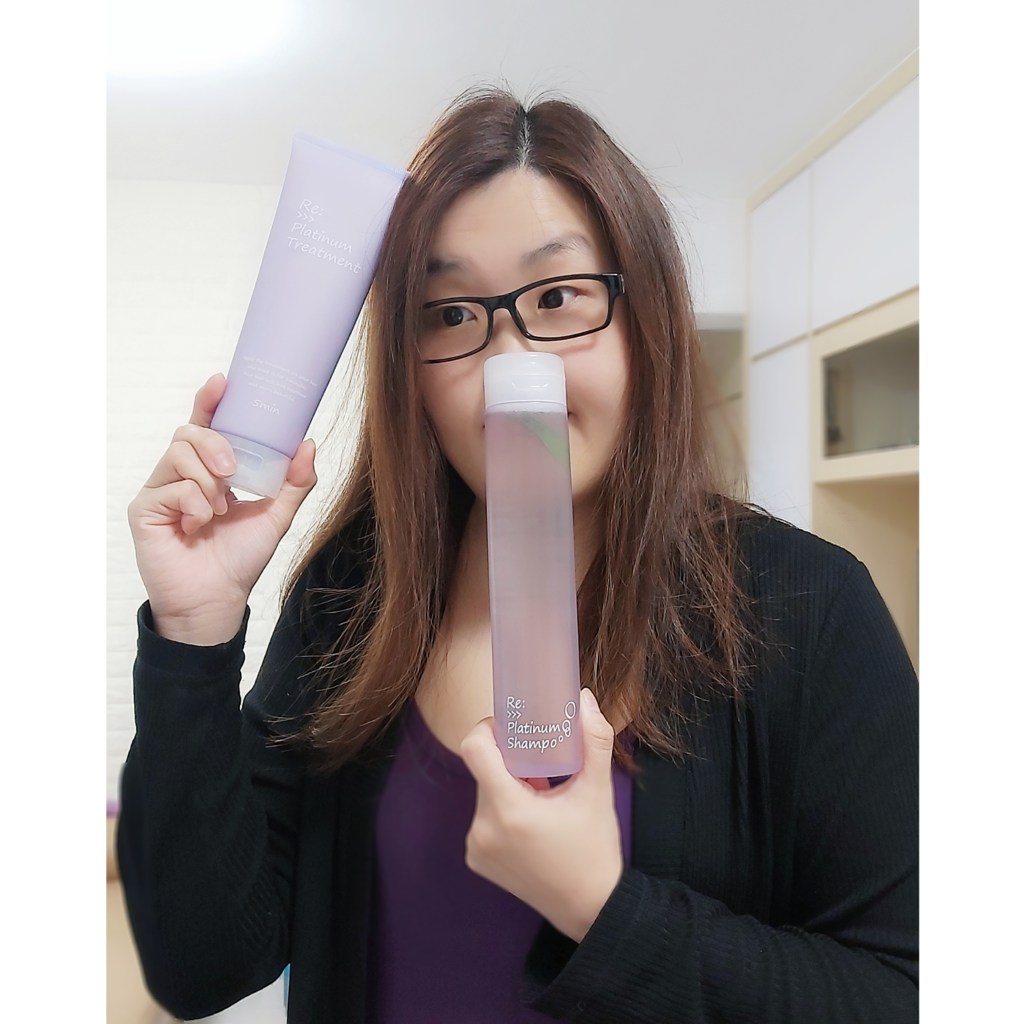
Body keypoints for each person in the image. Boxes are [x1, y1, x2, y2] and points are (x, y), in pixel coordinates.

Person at [117, 88, 919, 1024]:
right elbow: (201, 966)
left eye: (558, 297)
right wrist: (194, 631)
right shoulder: (351, 595)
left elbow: (905, 991)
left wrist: (607, 914)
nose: (509, 362)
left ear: (646, 319)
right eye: (452, 314)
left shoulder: (809, 606)